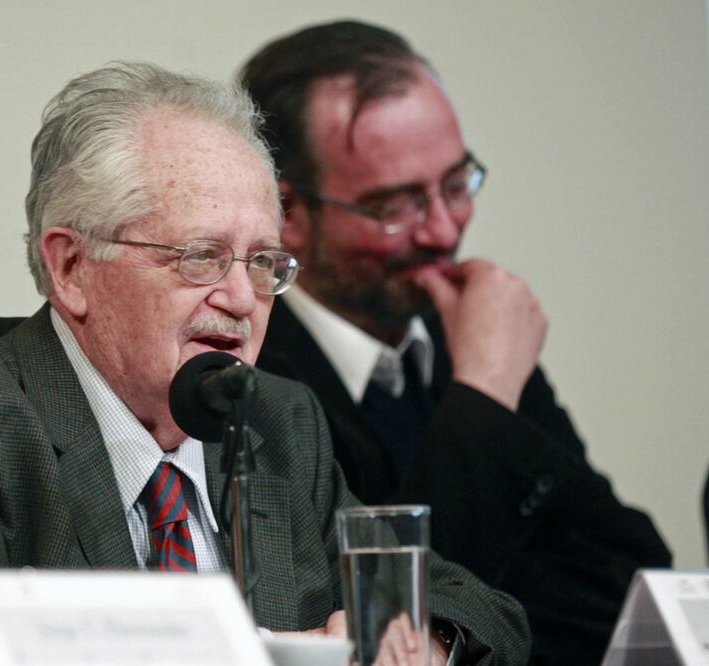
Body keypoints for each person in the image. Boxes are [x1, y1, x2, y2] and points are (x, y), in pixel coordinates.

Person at [0, 62, 529, 666]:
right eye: (200, 257)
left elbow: (477, 607)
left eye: (262, 262)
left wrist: (424, 641)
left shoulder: (276, 422)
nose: (241, 299)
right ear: (71, 267)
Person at [241, 20, 672, 665]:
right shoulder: (254, 371)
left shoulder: (462, 333)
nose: (443, 231)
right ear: (289, 213)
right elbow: (380, 624)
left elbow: (633, 591)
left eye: (455, 184)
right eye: (396, 206)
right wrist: (485, 394)